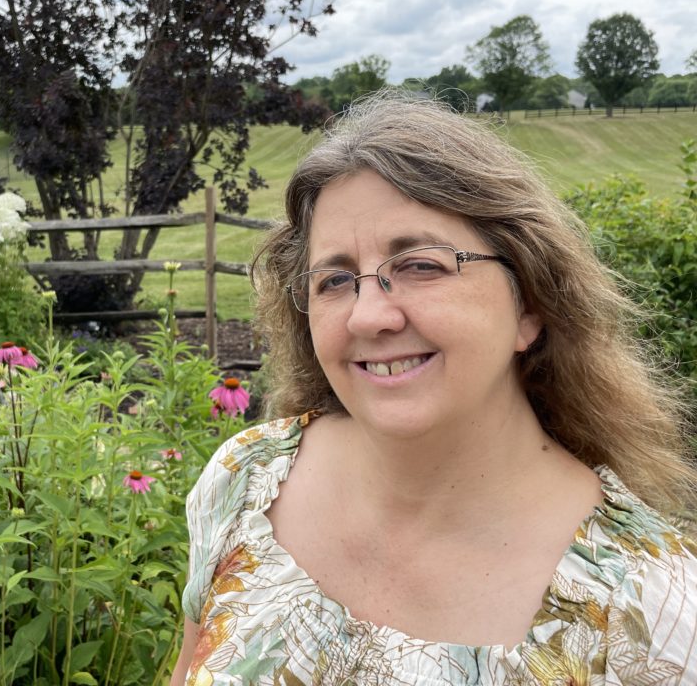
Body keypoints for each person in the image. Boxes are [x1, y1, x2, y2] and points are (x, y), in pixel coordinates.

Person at [170, 94, 697, 685]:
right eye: (335, 280)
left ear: (531, 303)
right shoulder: (247, 480)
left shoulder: (656, 615)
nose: (369, 316)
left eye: (422, 265)